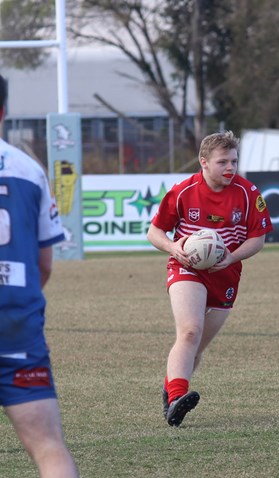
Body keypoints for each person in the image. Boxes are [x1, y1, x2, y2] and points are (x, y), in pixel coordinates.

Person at [147, 131, 273, 426]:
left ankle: (171, 389)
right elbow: (155, 232)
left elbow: (258, 238)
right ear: (203, 162)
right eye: (223, 162)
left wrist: (230, 257)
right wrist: (173, 247)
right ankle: (178, 396)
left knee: (197, 347)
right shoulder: (182, 192)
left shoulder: (248, 193)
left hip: (226, 273)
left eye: (234, 162)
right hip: (187, 267)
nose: (230, 168)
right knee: (189, 332)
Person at [0, 74, 79, 476]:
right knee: (50, 449)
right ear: (3, 111)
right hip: (16, 323)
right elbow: (45, 264)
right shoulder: (28, 170)